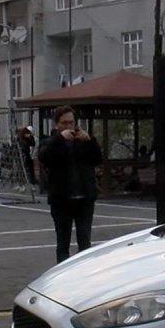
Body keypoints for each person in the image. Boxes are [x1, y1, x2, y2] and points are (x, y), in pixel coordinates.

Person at [38, 105, 103, 263]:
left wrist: (90, 141)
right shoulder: (50, 142)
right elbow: (44, 156)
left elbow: (97, 159)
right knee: (63, 243)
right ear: (57, 124)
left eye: (71, 123)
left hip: (84, 199)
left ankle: (84, 276)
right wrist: (60, 139)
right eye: (64, 123)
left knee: (84, 242)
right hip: (62, 200)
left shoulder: (82, 140)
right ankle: (62, 277)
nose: (69, 127)